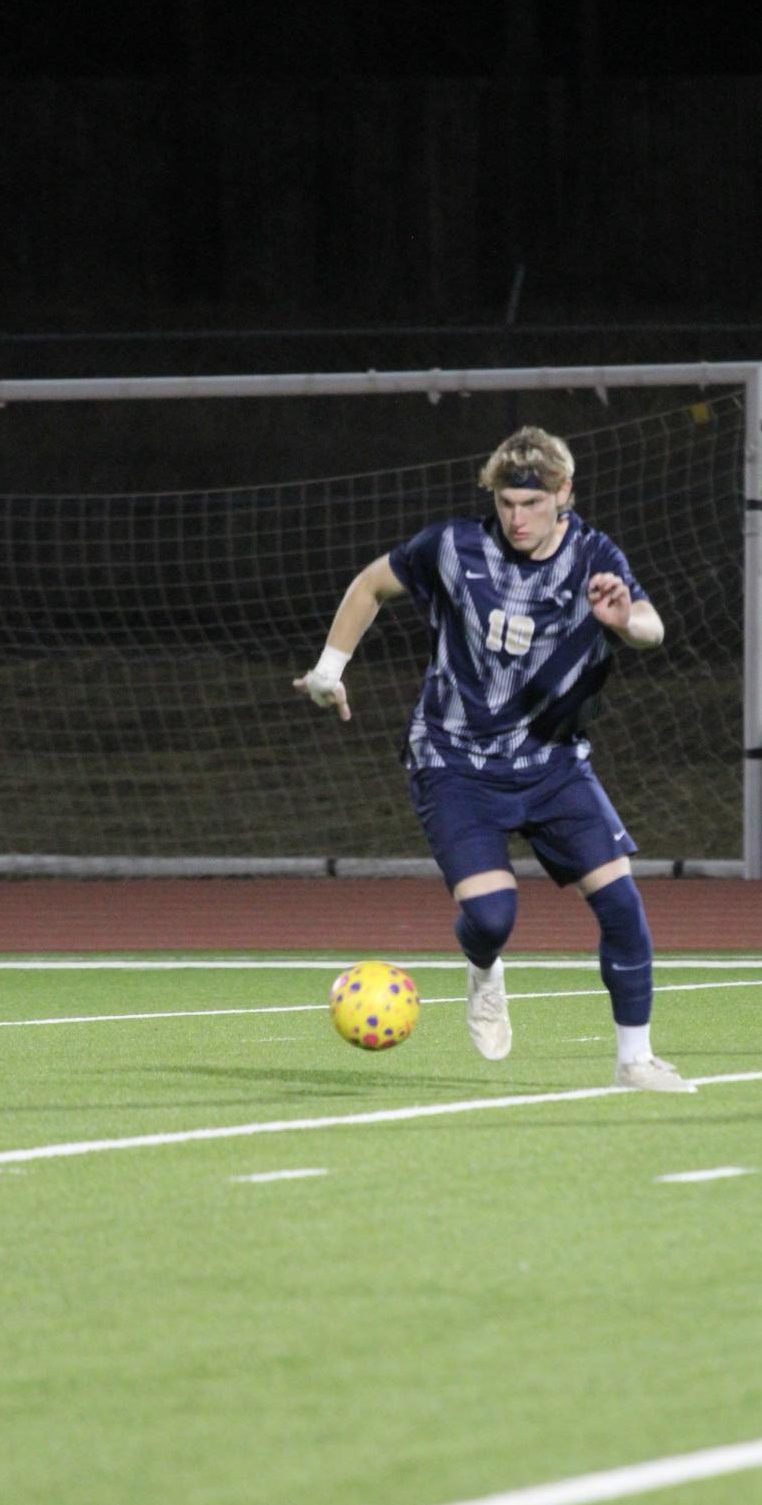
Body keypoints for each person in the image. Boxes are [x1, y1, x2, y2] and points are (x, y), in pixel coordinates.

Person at [293, 425, 695, 1092]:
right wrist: (328, 668)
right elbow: (369, 585)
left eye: (532, 505)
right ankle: (484, 967)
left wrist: (624, 621)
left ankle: (635, 1061)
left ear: (564, 494)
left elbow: (650, 627)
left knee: (623, 907)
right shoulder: (454, 546)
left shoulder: (595, 554)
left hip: (553, 762)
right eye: (507, 502)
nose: (517, 518)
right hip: (453, 760)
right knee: (491, 918)